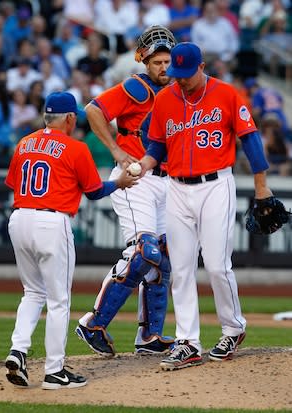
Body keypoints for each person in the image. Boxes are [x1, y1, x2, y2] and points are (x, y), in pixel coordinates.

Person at [140, 42, 274, 370]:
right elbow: (156, 144)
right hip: (176, 187)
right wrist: (143, 165)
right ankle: (188, 341)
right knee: (181, 269)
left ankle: (232, 328)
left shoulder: (226, 94)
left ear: (201, 67)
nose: (180, 80)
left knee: (216, 265)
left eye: (186, 74)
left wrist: (261, 185)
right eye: (176, 74)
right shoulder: (165, 99)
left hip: (216, 185)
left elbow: (250, 137)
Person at [4, 91, 138, 389]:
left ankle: (18, 350)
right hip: (52, 221)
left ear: (45, 117)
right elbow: (93, 191)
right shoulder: (75, 148)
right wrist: (119, 183)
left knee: (32, 292)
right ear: (69, 118)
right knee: (59, 300)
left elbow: (13, 183)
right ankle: (54, 371)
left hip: (20, 218)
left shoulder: (24, 143)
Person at [75, 25, 177, 357]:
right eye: (158, 61)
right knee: (145, 251)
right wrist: (118, 152)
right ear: (146, 62)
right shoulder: (136, 86)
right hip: (134, 180)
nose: (164, 67)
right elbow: (92, 109)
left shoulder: (180, 91)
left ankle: (150, 337)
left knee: (162, 260)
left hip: (165, 180)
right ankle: (93, 321)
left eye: (168, 61)